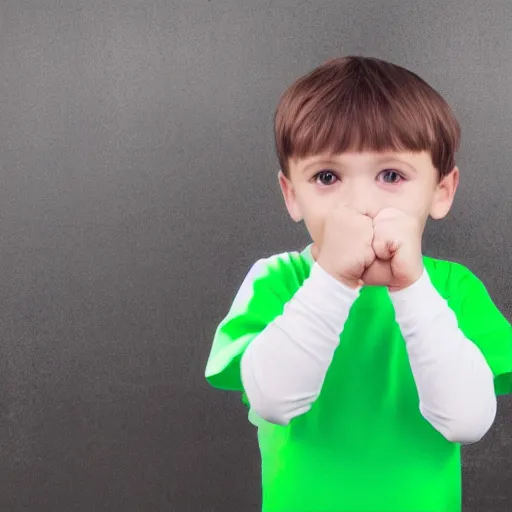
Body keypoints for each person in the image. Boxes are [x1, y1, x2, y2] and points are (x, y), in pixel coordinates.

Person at [204, 55, 512, 512]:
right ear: (293, 195)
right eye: (327, 177)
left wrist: (411, 287)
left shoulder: (454, 290)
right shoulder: (276, 282)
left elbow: (466, 421)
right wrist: (331, 278)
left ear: (441, 192)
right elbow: (274, 400)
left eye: (391, 176)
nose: (360, 204)